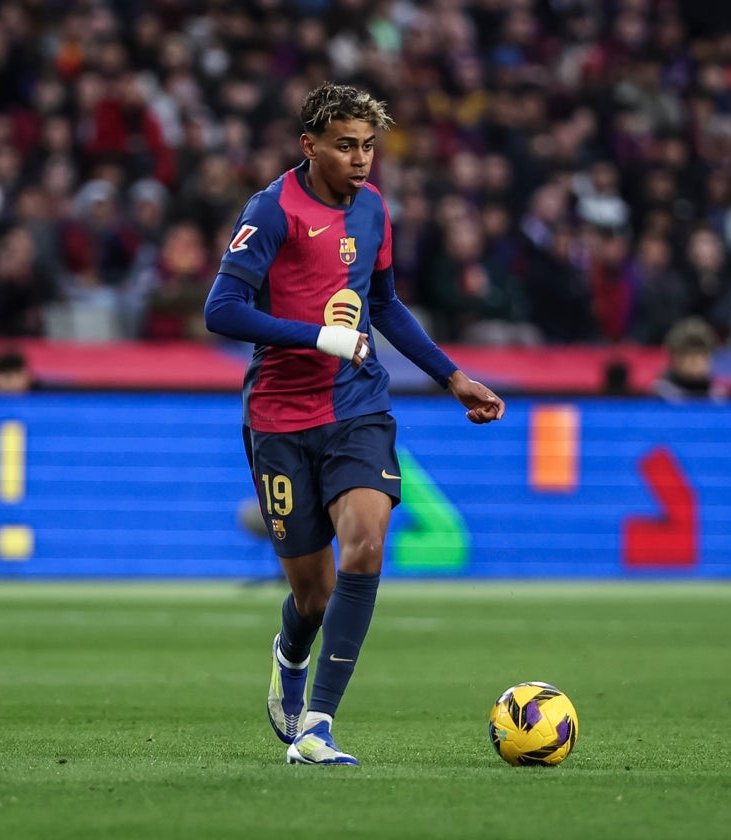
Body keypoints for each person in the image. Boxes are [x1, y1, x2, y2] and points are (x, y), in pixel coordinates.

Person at [204, 83, 505, 766]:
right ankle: (289, 653)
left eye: (369, 146)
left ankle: (317, 726)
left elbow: (386, 304)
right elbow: (220, 310)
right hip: (279, 419)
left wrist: (451, 376)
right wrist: (314, 337)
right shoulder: (272, 210)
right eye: (347, 146)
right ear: (310, 146)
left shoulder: (373, 210)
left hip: (357, 408)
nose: (362, 159)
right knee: (313, 594)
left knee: (365, 545)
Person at [654, 316, 728, 403]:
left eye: (702, 355)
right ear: (675, 358)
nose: (697, 362)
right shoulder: (659, 395)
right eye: (690, 355)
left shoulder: (717, 396)